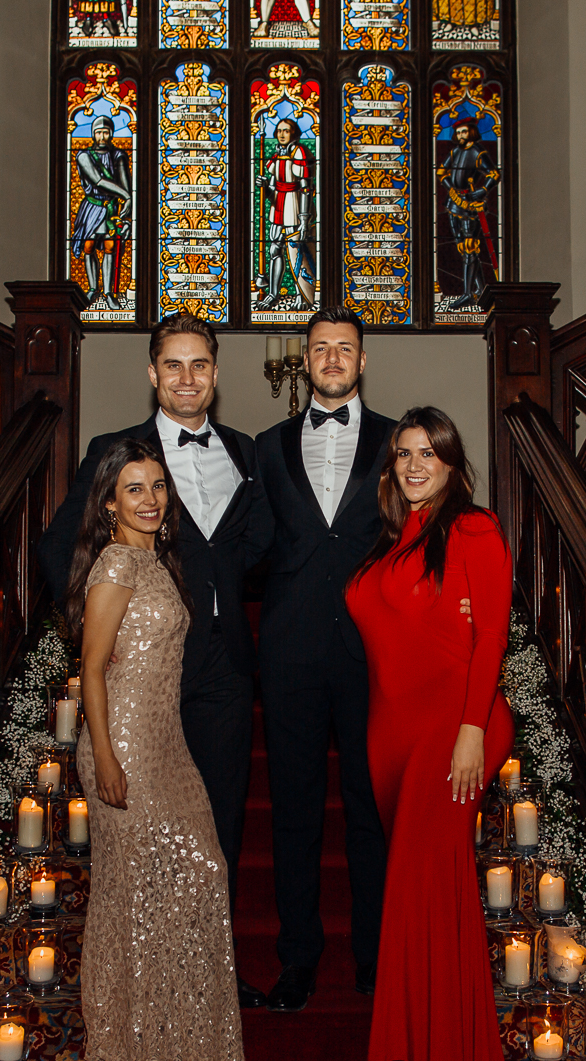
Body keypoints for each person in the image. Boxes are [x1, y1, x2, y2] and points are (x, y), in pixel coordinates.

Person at [346, 406, 552, 1061]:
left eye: (428, 452)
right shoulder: (393, 537)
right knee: (415, 893)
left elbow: (489, 633)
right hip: (391, 735)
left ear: (454, 460)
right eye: (402, 453)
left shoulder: (471, 529)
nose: (412, 463)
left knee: (440, 895)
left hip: (451, 731)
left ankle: (447, 1058)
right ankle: (413, 1045)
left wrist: (473, 729)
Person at [43, 312, 271, 1010]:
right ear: (152, 373)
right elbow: (59, 548)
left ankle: (210, 980)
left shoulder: (243, 449)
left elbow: (255, 545)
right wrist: (108, 629)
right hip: (147, 675)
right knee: (144, 834)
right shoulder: (118, 452)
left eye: (199, 364)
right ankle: (149, 986)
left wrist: (225, 594)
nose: (187, 378)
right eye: (173, 365)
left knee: (217, 830)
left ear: (215, 372)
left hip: (223, 670)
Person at [68, 438, 246, 1061]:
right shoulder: (116, 563)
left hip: (165, 742)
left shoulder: (155, 562)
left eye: (157, 487)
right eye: (133, 489)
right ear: (109, 503)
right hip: (126, 746)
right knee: (131, 894)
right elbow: (90, 669)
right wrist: (108, 758)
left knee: (191, 871)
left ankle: (124, 1036)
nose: (149, 500)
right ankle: (123, 1050)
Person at [252, 307, 393, 1012]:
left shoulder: (402, 444)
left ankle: (374, 963)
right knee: (295, 813)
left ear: (362, 361)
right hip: (289, 652)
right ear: (304, 361)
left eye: (345, 348)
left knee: (370, 812)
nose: (332, 357)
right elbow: (243, 542)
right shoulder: (265, 447)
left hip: (374, 654)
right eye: (320, 348)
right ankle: (298, 961)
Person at [72, 116, 133, 311]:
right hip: (91, 207)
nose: (102, 136)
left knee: (109, 248)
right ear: (93, 133)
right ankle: (92, 288)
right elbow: (97, 180)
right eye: (98, 132)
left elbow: (126, 184)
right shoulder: (84, 156)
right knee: (88, 247)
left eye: (106, 132)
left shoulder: (119, 156)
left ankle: (108, 293)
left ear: (111, 134)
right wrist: (125, 195)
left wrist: (128, 200)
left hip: (110, 209)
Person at [437, 118, 498, 309]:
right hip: (454, 204)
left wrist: (482, 191)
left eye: (464, 132)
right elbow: (441, 172)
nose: (460, 135)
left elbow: (494, 174)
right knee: (466, 250)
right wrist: (451, 189)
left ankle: (467, 294)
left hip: (470, 206)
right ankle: (481, 291)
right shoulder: (455, 152)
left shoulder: (478, 152)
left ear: (471, 132)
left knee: (470, 248)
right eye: (458, 132)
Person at [256, 118, 314, 310]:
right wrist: (266, 187)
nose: (281, 134)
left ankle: (302, 294)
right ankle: (273, 293)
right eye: (279, 130)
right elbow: (273, 189)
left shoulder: (299, 152)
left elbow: (306, 188)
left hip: (294, 207)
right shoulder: (276, 155)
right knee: (275, 249)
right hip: (278, 207)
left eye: (286, 130)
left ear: (294, 133)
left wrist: (304, 219)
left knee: (295, 251)